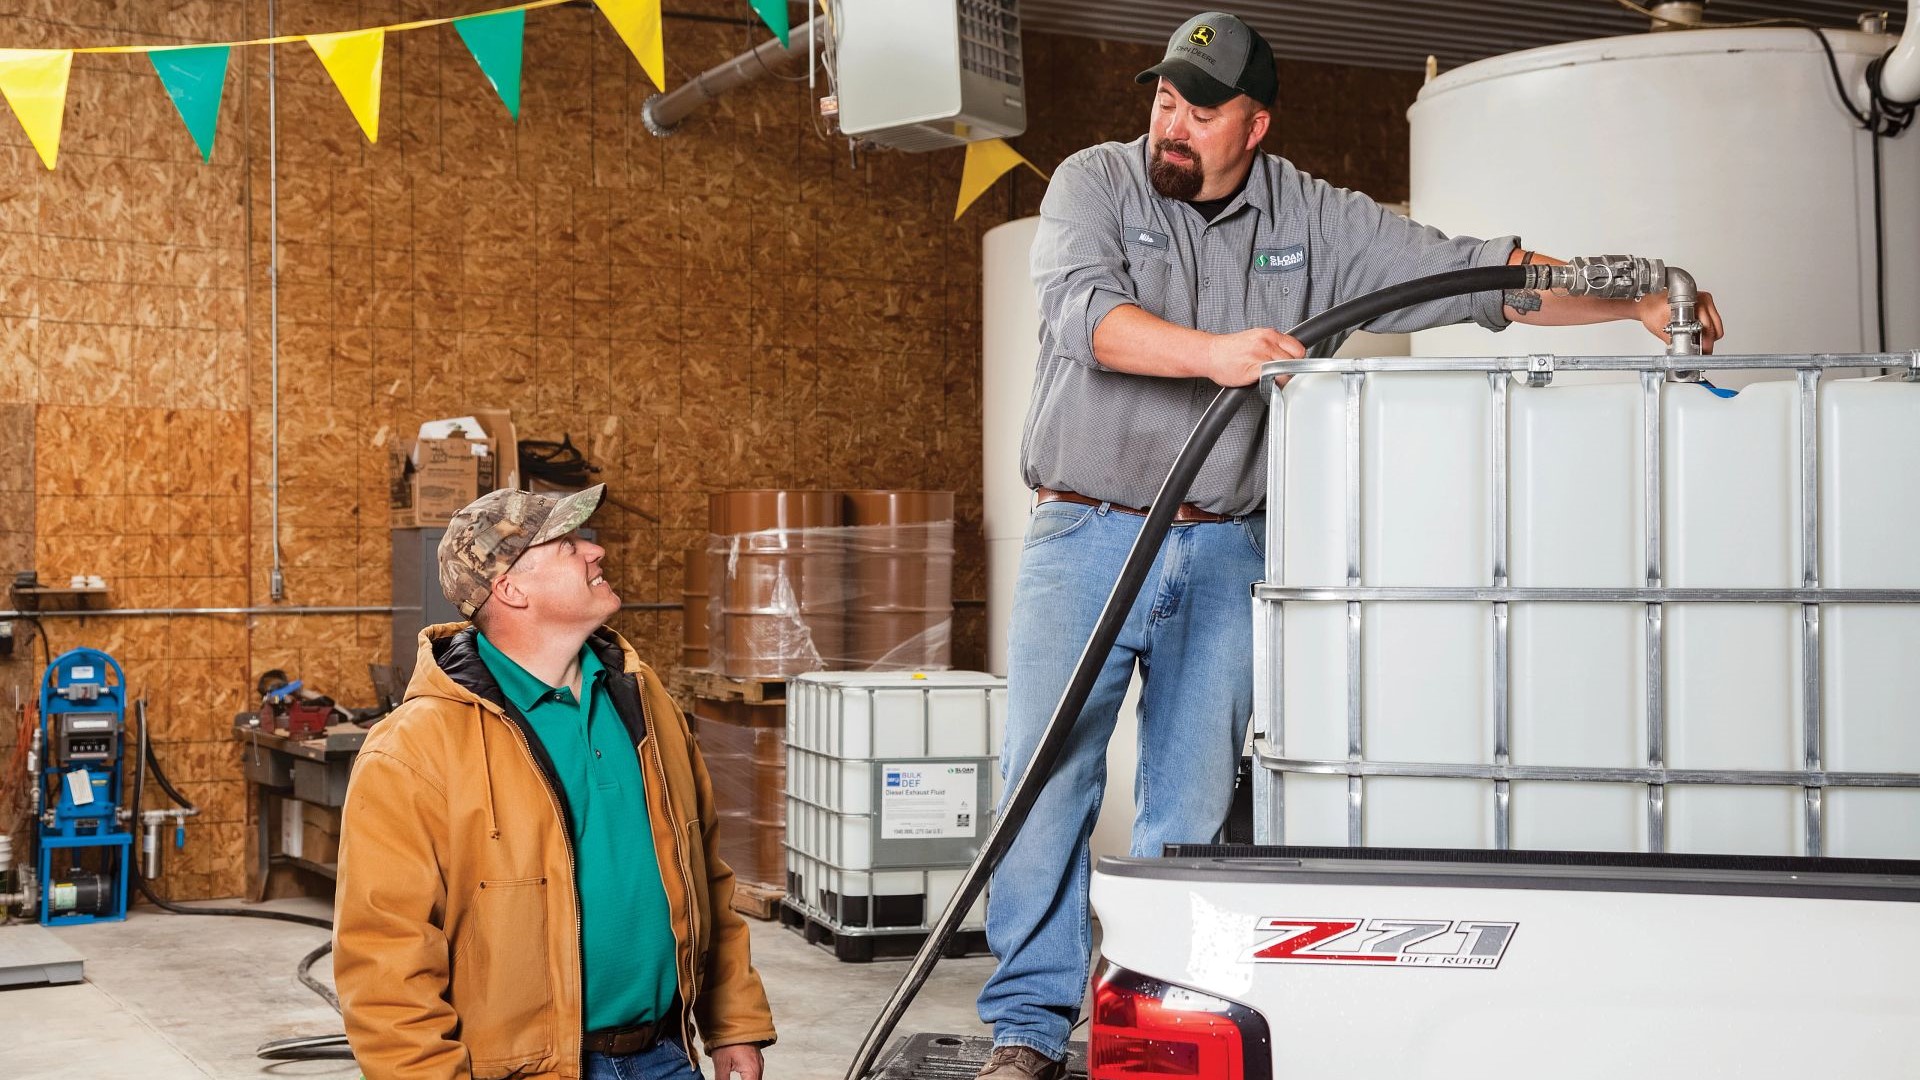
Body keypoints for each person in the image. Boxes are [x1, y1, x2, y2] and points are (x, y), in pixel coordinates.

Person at [976, 12, 1724, 1079]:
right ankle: (1028, 1029)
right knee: (1047, 780)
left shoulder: (1314, 220)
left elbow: (1476, 276)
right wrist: (1218, 355)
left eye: (1199, 105)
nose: (1170, 122)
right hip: (1085, 529)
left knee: (1191, 806)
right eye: (1162, 97)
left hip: (1228, 543)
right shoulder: (1099, 183)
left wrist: (1632, 292)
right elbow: (1083, 320)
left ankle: (1152, 1024)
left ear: (1256, 124)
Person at [334, 484, 776, 1080]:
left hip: (664, 1056)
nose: (594, 553)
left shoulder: (646, 705)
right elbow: (383, 956)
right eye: (568, 545)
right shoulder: (414, 748)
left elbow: (705, 877)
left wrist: (733, 1024)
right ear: (511, 588)